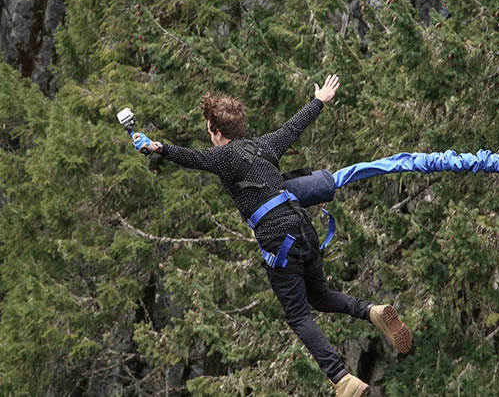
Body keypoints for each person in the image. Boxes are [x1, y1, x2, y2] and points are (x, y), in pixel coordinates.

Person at [138, 74, 411, 397]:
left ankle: (343, 379)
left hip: (277, 237)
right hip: (302, 226)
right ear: (242, 127)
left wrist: (156, 146)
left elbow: (191, 158)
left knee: (297, 315)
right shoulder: (264, 146)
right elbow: (293, 128)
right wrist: (319, 100)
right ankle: (372, 310)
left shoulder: (222, 156)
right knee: (319, 296)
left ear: (216, 132)